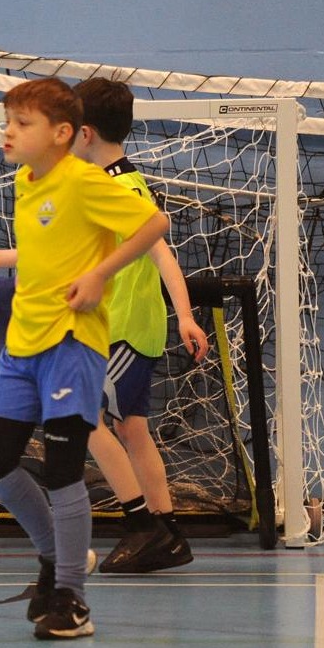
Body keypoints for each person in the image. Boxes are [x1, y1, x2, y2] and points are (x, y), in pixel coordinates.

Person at [0, 77, 170, 639]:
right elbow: (53, 244)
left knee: (63, 471)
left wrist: (100, 274)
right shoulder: (27, 181)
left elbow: (154, 225)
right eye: (8, 120)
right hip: (20, 345)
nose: (9, 131)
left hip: (72, 345)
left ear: (62, 133)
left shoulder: (85, 181)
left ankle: (72, 598)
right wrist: (2, 256)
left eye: (22, 123)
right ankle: (55, 557)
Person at [71, 78, 210, 574]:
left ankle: (144, 526)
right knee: (132, 430)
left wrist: (187, 315)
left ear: (83, 133)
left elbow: (161, 250)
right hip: (122, 328)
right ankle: (167, 531)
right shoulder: (117, 181)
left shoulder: (120, 185)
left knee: (85, 419)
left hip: (124, 329)